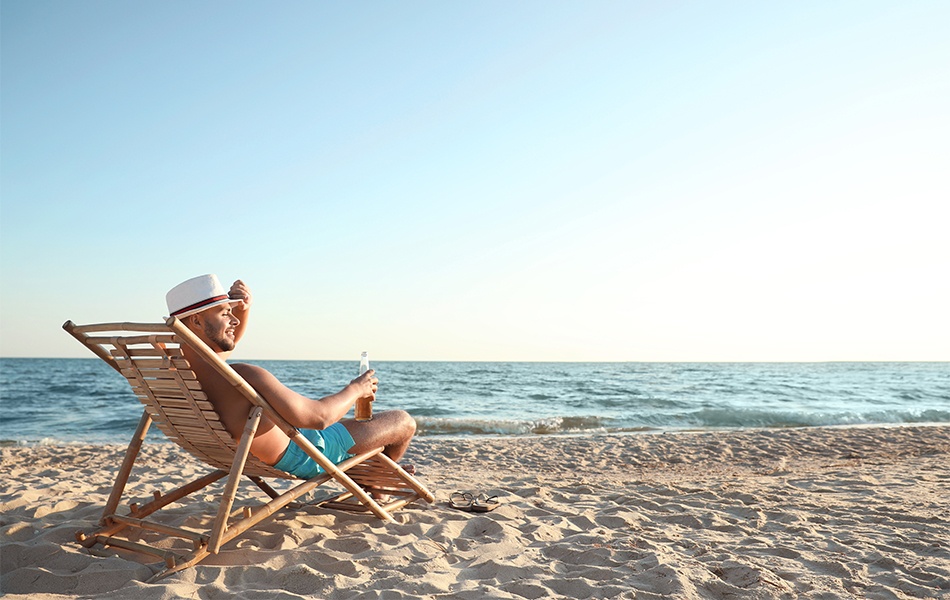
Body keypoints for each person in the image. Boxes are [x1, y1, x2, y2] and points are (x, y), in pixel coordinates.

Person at [164, 274, 417, 479]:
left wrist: (244, 309)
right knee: (403, 421)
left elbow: (219, 347)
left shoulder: (179, 372)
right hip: (308, 453)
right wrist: (356, 389)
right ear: (196, 322)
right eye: (223, 313)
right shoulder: (244, 374)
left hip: (241, 453)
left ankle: (375, 473)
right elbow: (319, 418)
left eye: (232, 312)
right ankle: (377, 483)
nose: (234, 321)